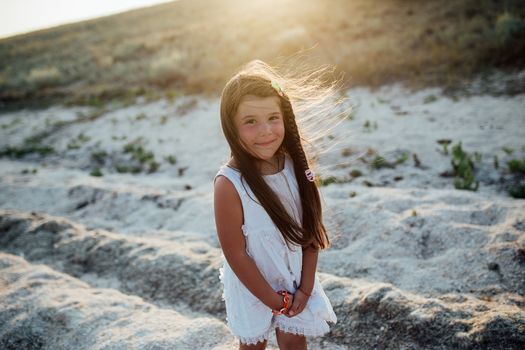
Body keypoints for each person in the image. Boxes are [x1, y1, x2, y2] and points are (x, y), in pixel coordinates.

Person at [213, 59, 338, 350]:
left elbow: (311, 234)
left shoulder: (297, 167)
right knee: (253, 346)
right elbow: (236, 254)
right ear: (231, 127)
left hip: (295, 279)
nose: (266, 131)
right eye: (250, 122)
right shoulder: (229, 185)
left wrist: (305, 289)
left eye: (273, 117)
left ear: (285, 117)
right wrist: (272, 300)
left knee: (295, 341)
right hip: (251, 285)